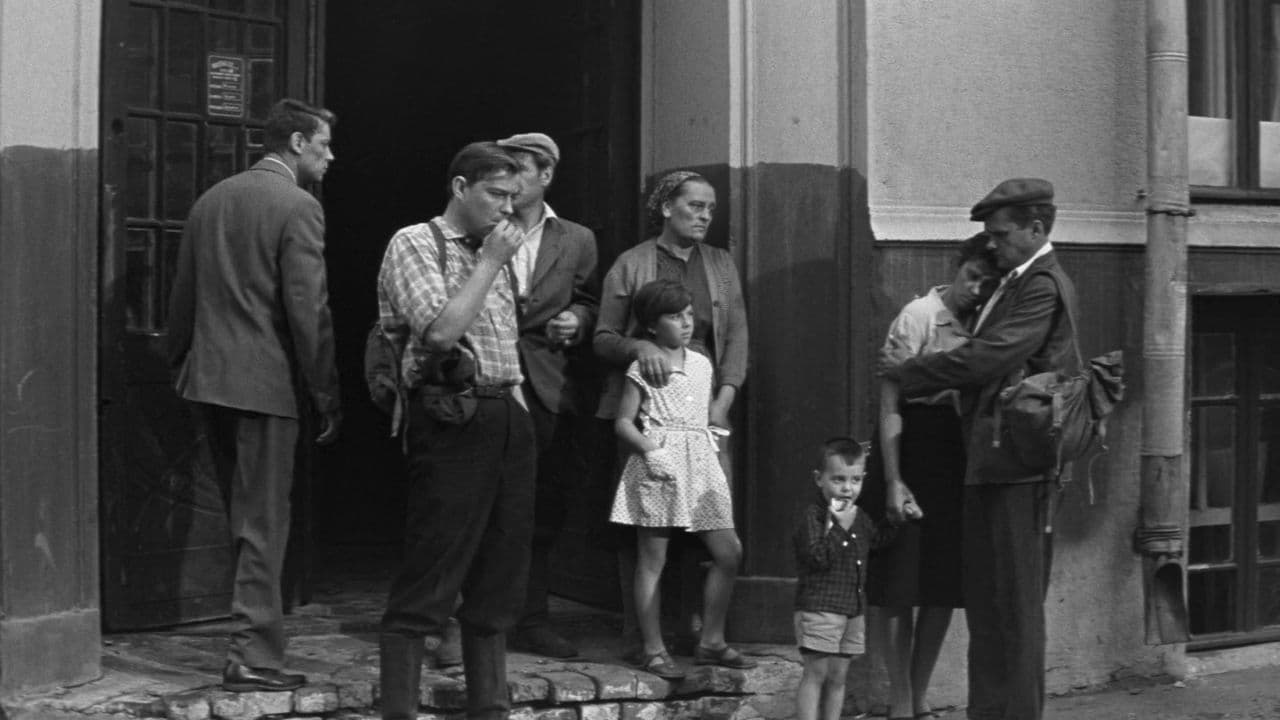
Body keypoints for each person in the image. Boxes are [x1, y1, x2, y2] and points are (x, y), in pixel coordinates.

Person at [880, 178, 1078, 720]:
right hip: (994, 461)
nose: (992, 244)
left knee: (1013, 610)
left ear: (1035, 228)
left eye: (1000, 233)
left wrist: (911, 372)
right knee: (990, 608)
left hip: (1019, 467)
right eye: (989, 235)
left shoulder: (1041, 285)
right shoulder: (1014, 283)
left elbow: (989, 358)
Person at [166, 98, 343, 692]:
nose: (331, 157)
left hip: (210, 382)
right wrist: (325, 393)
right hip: (266, 388)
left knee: (244, 521)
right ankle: (253, 657)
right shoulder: (299, 206)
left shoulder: (210, 200)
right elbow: (308, 310)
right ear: (296, 143)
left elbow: (182, 300)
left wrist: (180, 364)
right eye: (324, 145)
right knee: (264, 524)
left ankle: (249, 644)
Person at [375, 142, 535, 720]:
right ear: (461, 187)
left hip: (505, 413)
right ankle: (400, 711)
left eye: (514, 197)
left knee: (500, 575)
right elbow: (441, 332)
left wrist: (519, 414)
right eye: (496, 194)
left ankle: (489, 708)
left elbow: (505, 344)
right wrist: (489, 261)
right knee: (433, 568)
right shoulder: (415, 242)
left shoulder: (499, 251)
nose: (507, 208)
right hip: (451, 417)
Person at [594, 170, 748, 657]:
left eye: (710, 208)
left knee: (711, 524)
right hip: (651, 417)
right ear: (666, 208)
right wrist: (640, 348)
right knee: (648, 532)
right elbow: (603, 337)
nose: (705, 216)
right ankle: (644, 638)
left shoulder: (720, 264)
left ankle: (701, 630)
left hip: (705, 413)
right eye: (695, 206)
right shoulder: (631, 263)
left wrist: (722, 401)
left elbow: (737, 336)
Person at [866, 233, 1000, 720]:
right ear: (957, 266)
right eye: (972, 277)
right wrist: (894, 480)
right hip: (910, 447)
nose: (976, 290)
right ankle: (900, 702)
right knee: (900, 586)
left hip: (956, 456)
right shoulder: (919, 315)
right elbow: (889, 403)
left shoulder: (985, 324)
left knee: (941, 586)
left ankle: (919, 695)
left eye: (987, 284)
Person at [608, 279, 755, 680]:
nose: (686, 323)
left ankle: (712, 640)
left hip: (701, 463)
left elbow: (707, 417)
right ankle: (653, 649)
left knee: (728, 552)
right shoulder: (643, 366)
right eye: (675, 317)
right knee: (652, 560)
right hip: (660, 465)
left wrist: (717, 457)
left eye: (689, 314)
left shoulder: (702, 363)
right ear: (652, 325)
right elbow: (623, 422)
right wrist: (650, 450)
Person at [495, 132, 600, 659]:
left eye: (519, 169)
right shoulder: (484, 224)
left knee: (541, 507)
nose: (509, 181)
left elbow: (589, 300)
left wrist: (577, 320)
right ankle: (468, 621)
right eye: (504, 170)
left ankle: (531, 619)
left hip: (547, 384)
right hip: (486, 380)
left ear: (546, 175)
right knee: (480, 501)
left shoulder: (576, 239)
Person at [793, 438, 876, 720]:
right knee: (816, 672)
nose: (847, 488)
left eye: (855, 480)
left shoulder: (860, 516)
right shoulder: (814, 516)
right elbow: (817, 558)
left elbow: (876, 541)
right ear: (820, 479)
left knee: (839, 676)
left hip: (852, 609)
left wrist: (901, 519)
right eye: (838, 479)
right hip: (820, 607)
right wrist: (839, 527)